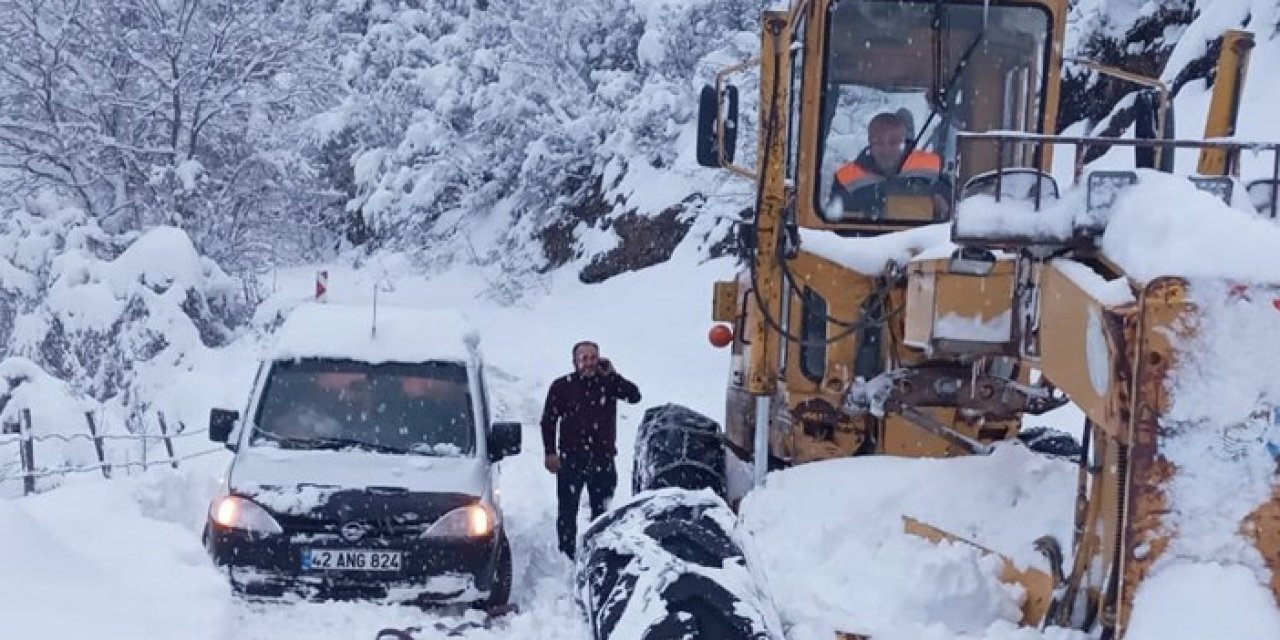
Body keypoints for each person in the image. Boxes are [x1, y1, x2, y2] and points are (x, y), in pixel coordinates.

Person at [540, 340, 642, 560]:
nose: (588, 363)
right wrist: (550, 452)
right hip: (571, 458)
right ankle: (566, 555)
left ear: (599, 359)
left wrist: (613, 375)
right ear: (575, 361)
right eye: (583, 358)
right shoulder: (562, 386)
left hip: (602, 458)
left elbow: (634, 396)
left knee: (602, 511)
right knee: (567, 511)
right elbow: (548, 420)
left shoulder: (608, 383)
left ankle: (600, 554)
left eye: (592, 357)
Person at [830, 111, 950, 218]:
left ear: (904, 140)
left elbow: (954, 214)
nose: (886, 150)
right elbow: (837, 225)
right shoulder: (846, 179)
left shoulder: (934, 169)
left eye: (894, 142)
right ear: (869, 142)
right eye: (878, 142)